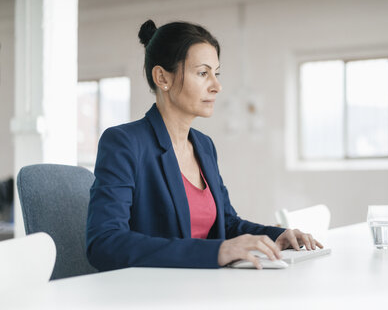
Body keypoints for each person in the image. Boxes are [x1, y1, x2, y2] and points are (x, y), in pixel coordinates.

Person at [86, 20, 323, 271]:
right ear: (162, 77)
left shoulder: (204, 145)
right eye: (203, 73)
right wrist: (216, 252)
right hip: (154, 293)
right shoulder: (124, 143)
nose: (216, 86)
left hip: (206, 286)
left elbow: (227, 223)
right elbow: (104, 243)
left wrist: (277, 236)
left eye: (216, 73)